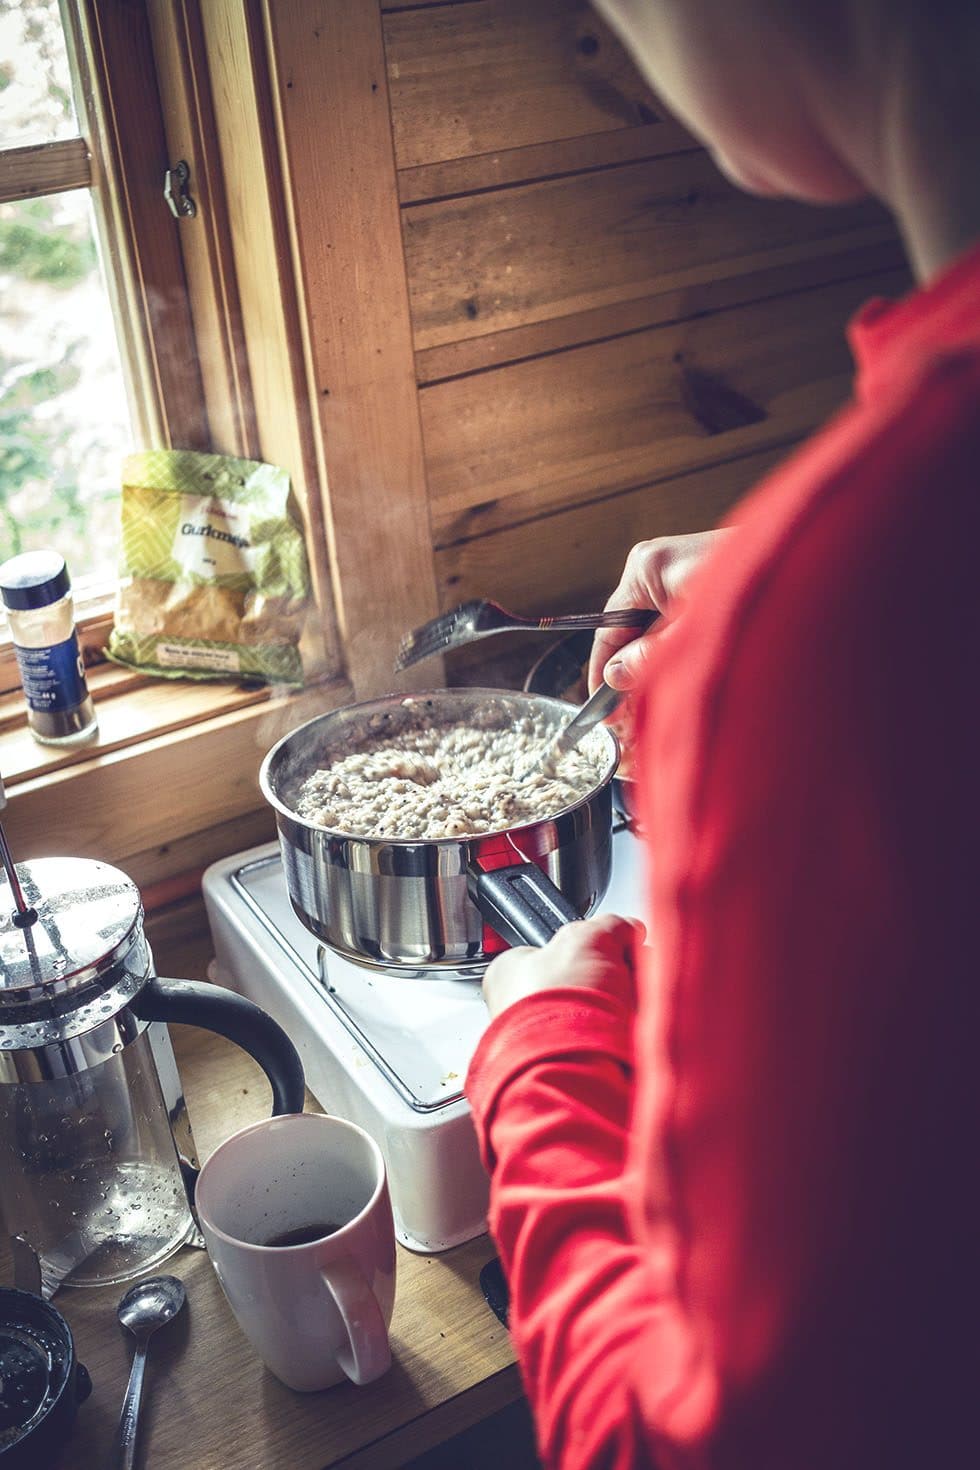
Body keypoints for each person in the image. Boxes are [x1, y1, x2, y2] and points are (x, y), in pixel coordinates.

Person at [464, 2, 980, 1467]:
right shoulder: (871, 573)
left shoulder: (830, 623)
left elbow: (682, 1447)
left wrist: (542, 1043)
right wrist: (805, 545)